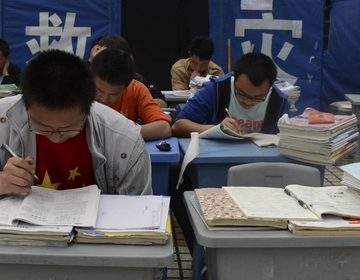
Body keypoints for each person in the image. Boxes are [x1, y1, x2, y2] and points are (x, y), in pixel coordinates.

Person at [0, 49, 153, 208]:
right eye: (42, 126)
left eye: (69, 128)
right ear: (25, 105)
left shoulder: (124, 137)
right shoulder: (1, 120)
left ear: (90, 106)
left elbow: (140, 214)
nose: (56, 138)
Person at [170, 52, 290, 255]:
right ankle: (205, 258)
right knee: (178, 187)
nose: (248, 102)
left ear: (269, 88)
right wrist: (215, 127)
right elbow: (179, 125)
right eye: (242, 94)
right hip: (213, 172)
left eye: (258, 97)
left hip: (258, 180)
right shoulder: (216, 90)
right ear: (234, 77)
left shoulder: (279, 101)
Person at [90, 49, 172, 141]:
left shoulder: (135, 89)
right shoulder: (77, 89)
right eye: (99, 90)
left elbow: (163, 128)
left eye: (114, 94)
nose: (105, 99)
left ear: (127, 86)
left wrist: (120, 133)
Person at [89, 35, 167, 107]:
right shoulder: (85, 75)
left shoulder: (135, 80)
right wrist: (92, 63)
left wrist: (139, 103)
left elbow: (162, 102)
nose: (104, 99)